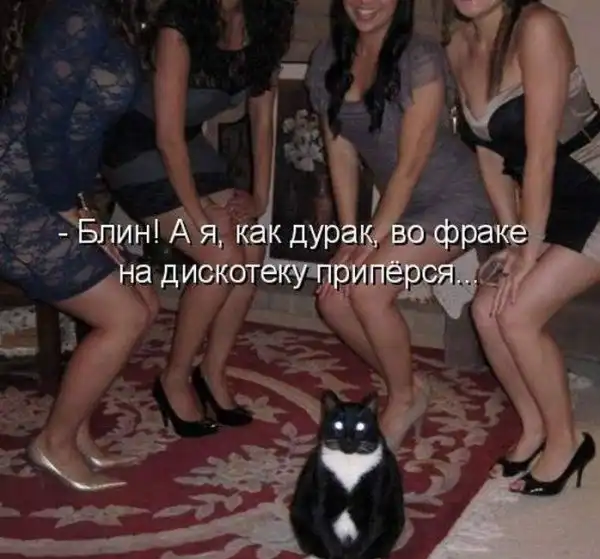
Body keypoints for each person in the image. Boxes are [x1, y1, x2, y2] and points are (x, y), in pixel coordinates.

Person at [102, 0, 296, 435]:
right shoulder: (180, 26)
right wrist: (201, 216)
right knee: (221, 256)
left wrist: (259, 197)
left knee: (251, 246)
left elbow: (262, 121)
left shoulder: (264, 26)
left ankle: (212, 370)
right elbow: (166, 136)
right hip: (136, 147)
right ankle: (173, 378)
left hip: (186, 146)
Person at [305, 0, 491, 450]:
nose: (365, 2)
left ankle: (404, 399)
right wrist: (349, 237)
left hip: (457, 196)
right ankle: (409, 381)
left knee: (368, 288)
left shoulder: (420, 57)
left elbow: (409, 167)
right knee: (333, 300)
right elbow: (340, 153)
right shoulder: (326, 58)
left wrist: (371, 241)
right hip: (404, 206)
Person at [0, 0, 159, 491]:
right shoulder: (81, 12)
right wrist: (72, 210)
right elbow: (44, 129)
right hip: (15, 195)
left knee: (145, 302)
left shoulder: (110, 15)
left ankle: (78, 430)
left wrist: (84, 210)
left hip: (53, 192)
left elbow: (83, 134)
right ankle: (55, 443)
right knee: (123, 316)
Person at [447, 0, 598, 496]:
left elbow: (540, 157)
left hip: (593, 188)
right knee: (485, 310)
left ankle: (567, 441)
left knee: (516, 314)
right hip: (548, 203)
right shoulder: (458, 45)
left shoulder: (538, 27)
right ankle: (533, 426)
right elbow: (489, 156)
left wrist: (526, 249)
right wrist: (515, 237)